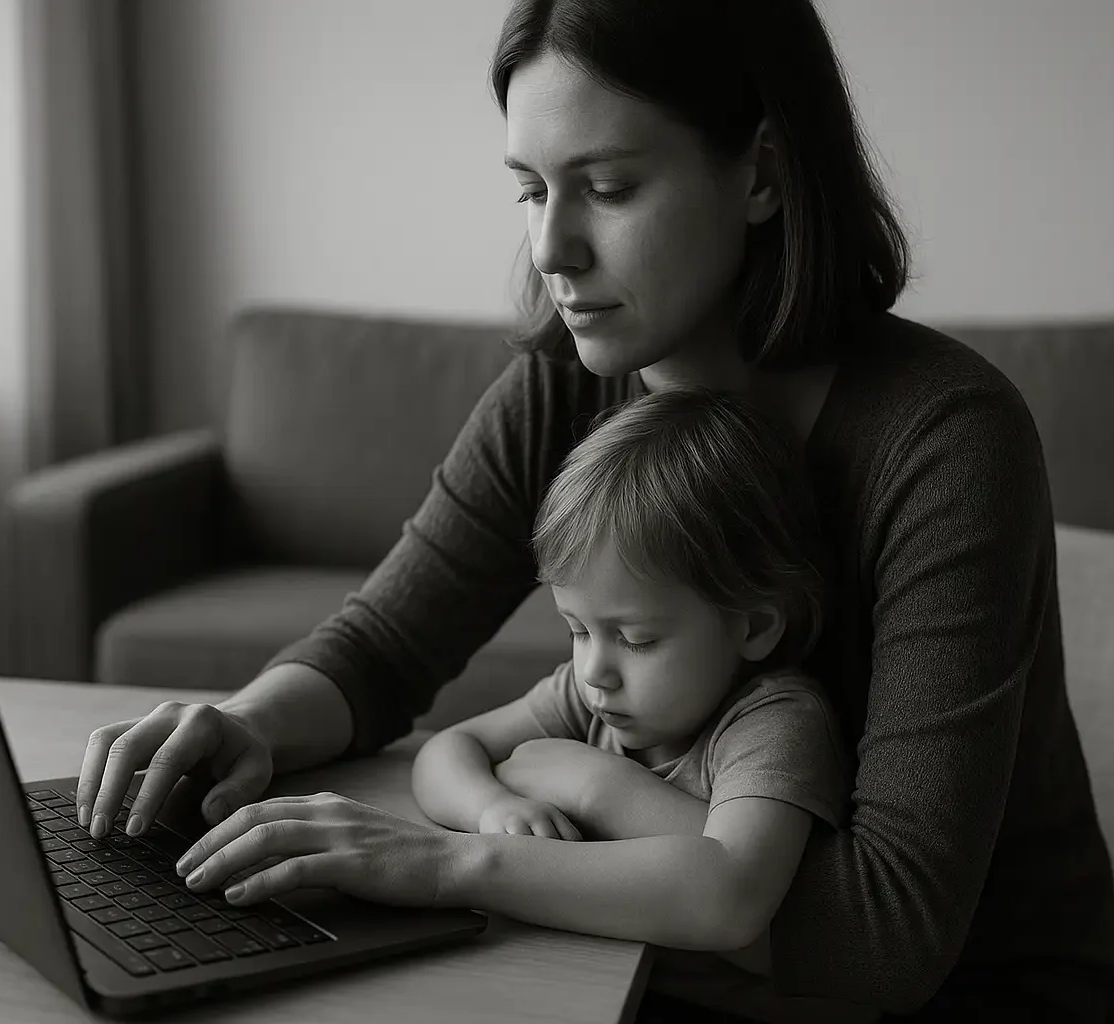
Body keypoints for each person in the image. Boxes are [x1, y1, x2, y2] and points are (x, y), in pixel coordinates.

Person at [73, 0, 1114, 1020]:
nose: (550, 249)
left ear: (759, 172)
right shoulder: (565, 385)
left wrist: (477, 847)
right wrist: (249, 720)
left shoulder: (944, 439)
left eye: (606, 188)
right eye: (529, 190)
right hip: (677, 961)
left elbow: (881, 938)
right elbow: (387, 646)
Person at [409, 383, 862, 1020]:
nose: (595, 668)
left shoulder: (775, 723)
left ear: (753, 626)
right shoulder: (590, 693)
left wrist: (593, 781)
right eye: (576, 628)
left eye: (637, 639)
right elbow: (447, 751)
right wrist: (493, 806)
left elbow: (728, 896)